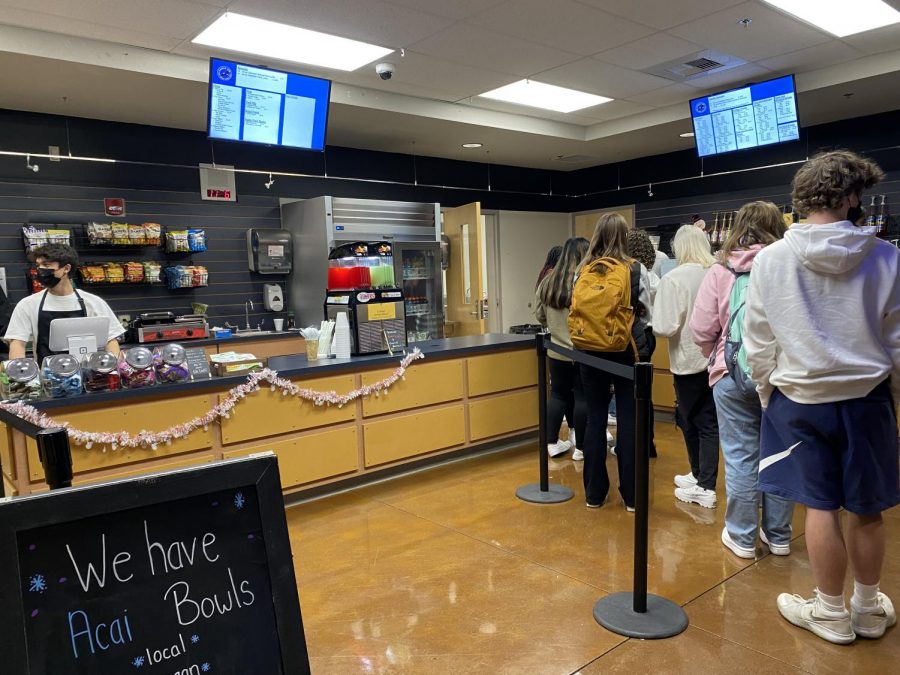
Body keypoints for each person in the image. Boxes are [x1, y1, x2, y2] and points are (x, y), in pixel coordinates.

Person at [744, 151, 899, 644]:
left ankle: (830, 612)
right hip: (868, 398)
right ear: (853, 195)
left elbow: (759, 343)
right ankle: (868, 608)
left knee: (820, 507)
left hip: (799, 397)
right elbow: (897, 343)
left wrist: (770, 395)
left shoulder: (770, 259)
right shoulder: (887, 258)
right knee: (867, 509)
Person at [690, 201, 794, 559]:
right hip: (783, 377)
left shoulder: (722, 269)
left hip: (731, 375)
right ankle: (778, 535)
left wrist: (717, 356)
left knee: (740, 457)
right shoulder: (791, 264)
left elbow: (701, 328)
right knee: (780, 454)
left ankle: (742, 536)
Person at [572, 213, 653, 511]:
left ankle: (595, 493)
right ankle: (632, 497)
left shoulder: (582, 270)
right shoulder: (635, 269)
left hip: (588, 350)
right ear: (623, 236)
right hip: (626, 350)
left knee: (595, 417)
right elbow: (647, 314)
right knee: (629, 420)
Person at [653, 225, 719, 509]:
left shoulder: (674, 278)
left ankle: (705, 485)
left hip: (688, 361)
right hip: (717, 360)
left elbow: (665, 326)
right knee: (705, 421)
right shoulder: (718, 273)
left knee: (695, 421)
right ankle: (699, 474)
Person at [4, 244, 123, 362]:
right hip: (47, 377)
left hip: (88, 377)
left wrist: (115, 369)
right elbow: (17, 343)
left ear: (66, 268)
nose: (40, 270)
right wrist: (19, 374)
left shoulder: (93, 302)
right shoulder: (27, 304)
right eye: (38, 265)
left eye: (46, 265)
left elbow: (110, 340)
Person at [534, 237, 590, 460]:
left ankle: (551, 442)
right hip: (583, 351)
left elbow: (539, 314)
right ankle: (581, 448)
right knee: (583, 398)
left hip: (556, 351)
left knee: (557, 395)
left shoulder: (548, 281)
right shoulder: (584, 282)